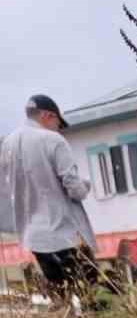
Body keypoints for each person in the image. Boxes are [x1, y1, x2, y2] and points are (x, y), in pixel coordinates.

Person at [0, 94, 98, 301]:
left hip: (34, 236)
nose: (57, 129)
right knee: (92, 296)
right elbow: (75, 189)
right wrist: (86, 185)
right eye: (58, 123)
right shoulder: (53, 140)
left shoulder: (7, 144)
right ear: (47, 115)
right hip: (65, 233)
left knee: (61, 297)